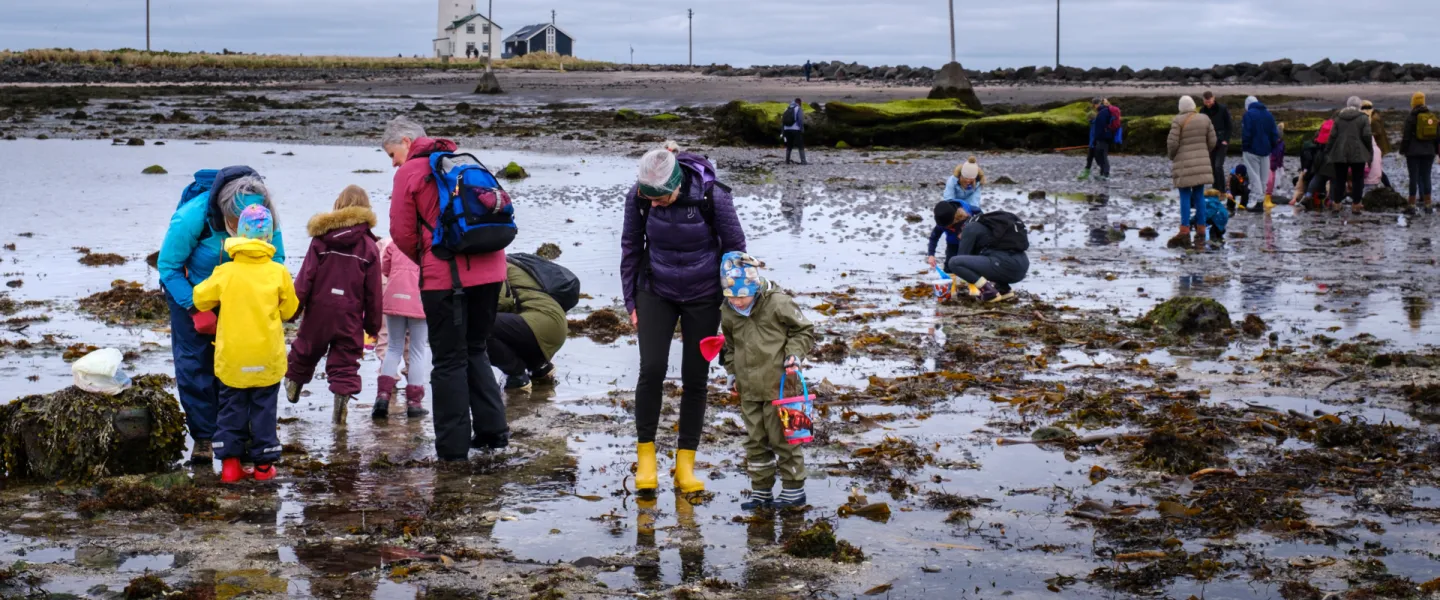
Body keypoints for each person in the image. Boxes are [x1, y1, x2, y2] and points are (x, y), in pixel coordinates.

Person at [621, 142, 747, 494]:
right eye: (651, 199)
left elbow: (735, 247)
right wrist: (630, 300)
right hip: (655, 289)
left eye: (661, 198)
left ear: (677, 183)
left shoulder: (712, 196)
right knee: (652, 370)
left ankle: (685, 466)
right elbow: (631, 246)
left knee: (696, 378)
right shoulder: (640, 197)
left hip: (704, 294)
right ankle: (646, 460)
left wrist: (735, 304)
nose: (655, 204)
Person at [385, 117, 511, 460]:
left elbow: (402, 234)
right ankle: (493, 434)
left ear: (408, 141)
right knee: (475, 349)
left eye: (392, 153)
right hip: (492, 271)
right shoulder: (464, 160)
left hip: (447, 279)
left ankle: (453, 450)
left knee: (449, 361)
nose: (393, 161)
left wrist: (429, 260)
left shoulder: (409, 172)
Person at [158, 170, 287, 463]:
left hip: (240, 299)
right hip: (192, 291)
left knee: (240, 366)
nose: (246, 231)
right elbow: (168, 266)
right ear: (224, 215)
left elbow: (276, 260)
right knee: (196, 364)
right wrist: (194, 307)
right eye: (237, 223)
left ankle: (239, 439)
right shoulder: (192, 217)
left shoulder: (264, 216)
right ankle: (204, 438)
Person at [191, 205, 299, 483]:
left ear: (239, 235)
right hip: (267, 357)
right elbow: (290, 311)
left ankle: (230, 466)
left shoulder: (226, 271)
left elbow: (200, 299)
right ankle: (263, 468)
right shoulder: (278, 272)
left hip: (233, 358)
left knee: (230, 409)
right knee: (264, 409)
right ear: (268, 238)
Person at [717, 252, 815, 510]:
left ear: (754, 287)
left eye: (741, 296)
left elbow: (804, 330)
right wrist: (731, 372)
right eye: (731, 296)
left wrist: (794, 355)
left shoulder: (778, 303)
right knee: (755, 441)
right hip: (748, 389)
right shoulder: (728, 310)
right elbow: (728, 345)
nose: (737, 302)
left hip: (781, 387)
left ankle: (794, 490)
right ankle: (761, 491)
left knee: (784, 437)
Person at [285, 185, 383, 425]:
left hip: (319, 310)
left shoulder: (321, 240)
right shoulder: (370, 247)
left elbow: (305, 278)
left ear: (338, 206)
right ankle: (340, 402)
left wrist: (293, 310)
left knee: (305, 349)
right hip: (349, 314)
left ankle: (294, 384)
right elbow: (374, 293)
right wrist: (372, 325)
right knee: (346, 360)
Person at [375, 234, 430, 419]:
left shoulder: (395, 243)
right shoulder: (430, 246)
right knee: (417, 350)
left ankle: (382, 397)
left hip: (394, 298)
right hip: (419, 301)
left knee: (393, 347)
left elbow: (385, 268)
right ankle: (414, 402)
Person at [492, 260, 567, 392]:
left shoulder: (495, 265)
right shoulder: (509, 262)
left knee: (477, 327)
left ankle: (516, 375)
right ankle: (539, 367)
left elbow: (502, 301)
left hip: (539, 323)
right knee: (502, 327)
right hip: (556, 323)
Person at [933, 202, 1029, 302]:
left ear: (951, 226)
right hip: (1021, 265)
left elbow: (961, 261)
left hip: (1007, 265)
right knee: (987, 256)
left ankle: (988, 292)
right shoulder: (982, 222)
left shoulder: (969, 228)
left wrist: (953, 284)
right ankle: (1003, 289)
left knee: (953, 262)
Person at [1166, 95, 1217, 247]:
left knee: (1185, 195)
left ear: (1180, 108)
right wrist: (1203, 151)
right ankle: (1201, 227)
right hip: (1201, 162)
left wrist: (1172, 156)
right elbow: (1213, 141)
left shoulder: (1178, 121)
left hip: (1183, 164)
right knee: (1199, 195)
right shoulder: (1205, 119)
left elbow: (1172, 143)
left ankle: (1184, 228)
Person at [927, 157, 984, 267]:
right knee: (950, 264)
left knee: (969, 264)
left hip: (967, 232)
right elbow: (934, 237)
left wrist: (970, 225)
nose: (968, 180)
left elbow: (978, 209)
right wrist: (931, 255)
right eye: (966, 178)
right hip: (951, 211)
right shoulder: (942, 221)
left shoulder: (968, 215)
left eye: (971, 179)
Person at [1326, 96, 1373, 211]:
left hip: (1340, 152)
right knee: (1358, 179)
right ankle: (1356, 204)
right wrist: (1369, 150)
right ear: (1359, 106)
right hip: (1358, 152)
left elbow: (1332, 136)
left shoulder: (1338, 118)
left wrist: (1328, 149)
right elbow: (1367, 136)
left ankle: (1337, 203)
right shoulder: (1363, 118)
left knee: (1339, 178)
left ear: (1347, 105)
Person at [1400, 92, 1439, 212]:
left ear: (1413, 103)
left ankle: (1411, 204)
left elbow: (1406, 137)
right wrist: (1436, 151)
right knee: (1427, 176)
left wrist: (1402, 150)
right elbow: (1437, 136)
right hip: (1429, 152)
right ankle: (1428, 204)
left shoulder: (1410, 118)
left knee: (1413, 177)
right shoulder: (1432, 117)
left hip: (1413, 153)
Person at [1241, 96, 1280, 207]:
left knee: (1254, 175)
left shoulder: (1248, 115)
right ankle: (1261, 199)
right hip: (1266, 150)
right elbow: (1274, 134)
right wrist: (1271, 146)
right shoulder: (1268, 114)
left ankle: (1256, 200)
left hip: (1251, 150)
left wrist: (1245, 146)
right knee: (1264, 177)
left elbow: (1246, 133)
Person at [1200, 91, 1233, 195]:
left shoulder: (1222, 109)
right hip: (1210, 142)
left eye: (1209, 101)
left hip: (1221, 140)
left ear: (1213, 98)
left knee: (1218, 165)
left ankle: (1222, 190)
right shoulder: (1202, 111)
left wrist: (1226, 140)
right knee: (1213, 167)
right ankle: (1215, 188)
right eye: (1206, 101)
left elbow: (1229, 126)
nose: (1208, 103)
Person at [1361, 100, 1395, 189]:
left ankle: (1386, 185)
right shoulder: (1374, 117)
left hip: (1377, 147)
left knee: (1376, 168)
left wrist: (1368, 134)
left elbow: (1378, 132)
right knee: (1376, 167)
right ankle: (1386, 185)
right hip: (1378, 147)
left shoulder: (1373, 120)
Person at [1081, 97, 1114, 181]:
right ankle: (1100, 173)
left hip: (1099, 140)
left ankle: (1105, 174)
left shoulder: (1100, 116)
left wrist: (1094, 142)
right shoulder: (1098, 118)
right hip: (1096, 141)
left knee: (1101, 157)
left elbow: (1096, 132)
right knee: (1092, 157)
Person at [1262, 124, 1286, 210]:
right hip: (1268, 165)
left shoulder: (1282, 144)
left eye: (1279, 138)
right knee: (1269, 180)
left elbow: (1281, 156)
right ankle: (1265, 198)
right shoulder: (1269, 143)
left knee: (1273, 182)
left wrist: (1281, 166)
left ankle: (1269, 198)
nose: (1278, 139)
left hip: (1275, 166)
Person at [782, 98, 806, 165]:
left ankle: (787, 161)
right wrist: (802, 129)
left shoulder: (787, 108)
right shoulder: (798, 108)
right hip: (796, 129)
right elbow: (800, 120)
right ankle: (803, 161)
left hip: (787, 129)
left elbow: (783, 121)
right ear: (799, 102)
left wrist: (783, 131)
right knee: (800, 145)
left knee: (789, 146)